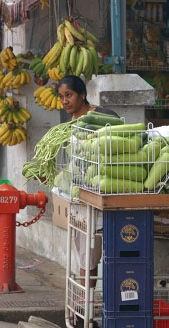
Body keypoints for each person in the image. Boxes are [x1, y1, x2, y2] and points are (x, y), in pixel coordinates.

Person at [57, 76, 118, 289]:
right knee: (83, 250)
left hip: (99, 191)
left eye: (69, 95)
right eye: (62, 97)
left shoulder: (101, 115)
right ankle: (85, 301)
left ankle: (88, 302)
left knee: (92, 250)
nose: (65, 101)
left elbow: (116, 146)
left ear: (82, 94)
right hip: (79, 194)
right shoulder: (71, 122)